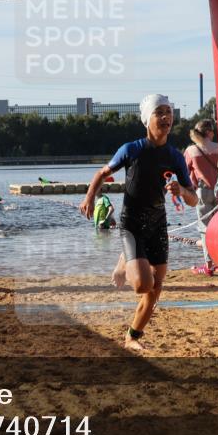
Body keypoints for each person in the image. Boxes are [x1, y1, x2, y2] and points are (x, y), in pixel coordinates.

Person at [79, 94, 197, 352]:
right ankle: (125, 259)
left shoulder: (175, 156)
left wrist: (182, 191)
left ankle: (132, 336)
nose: (166, 117)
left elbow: (194, 200)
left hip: (157, 223)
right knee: (144, 284)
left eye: (169, 112)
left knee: (156, 289)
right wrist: (89, 197)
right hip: (131, 222)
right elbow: (102, 173)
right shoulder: (131, 149)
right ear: (147, 120)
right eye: (159, 113)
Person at [184, 119, 218, 274]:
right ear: (209, 132)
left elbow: (185, 172)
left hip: (202, 191)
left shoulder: (191, 150)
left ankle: (209, 264)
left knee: (205, 229)